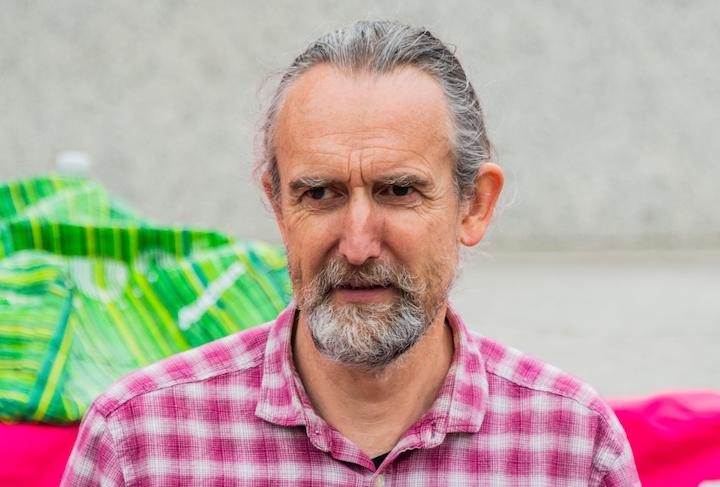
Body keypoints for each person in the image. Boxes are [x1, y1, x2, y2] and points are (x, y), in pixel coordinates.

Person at [62, 20, 640, 486]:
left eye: (399, 191)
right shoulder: (138, 442)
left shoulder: (573, 446)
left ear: (474, 206)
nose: (358, 245)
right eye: (320, 194)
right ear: (278, 207)